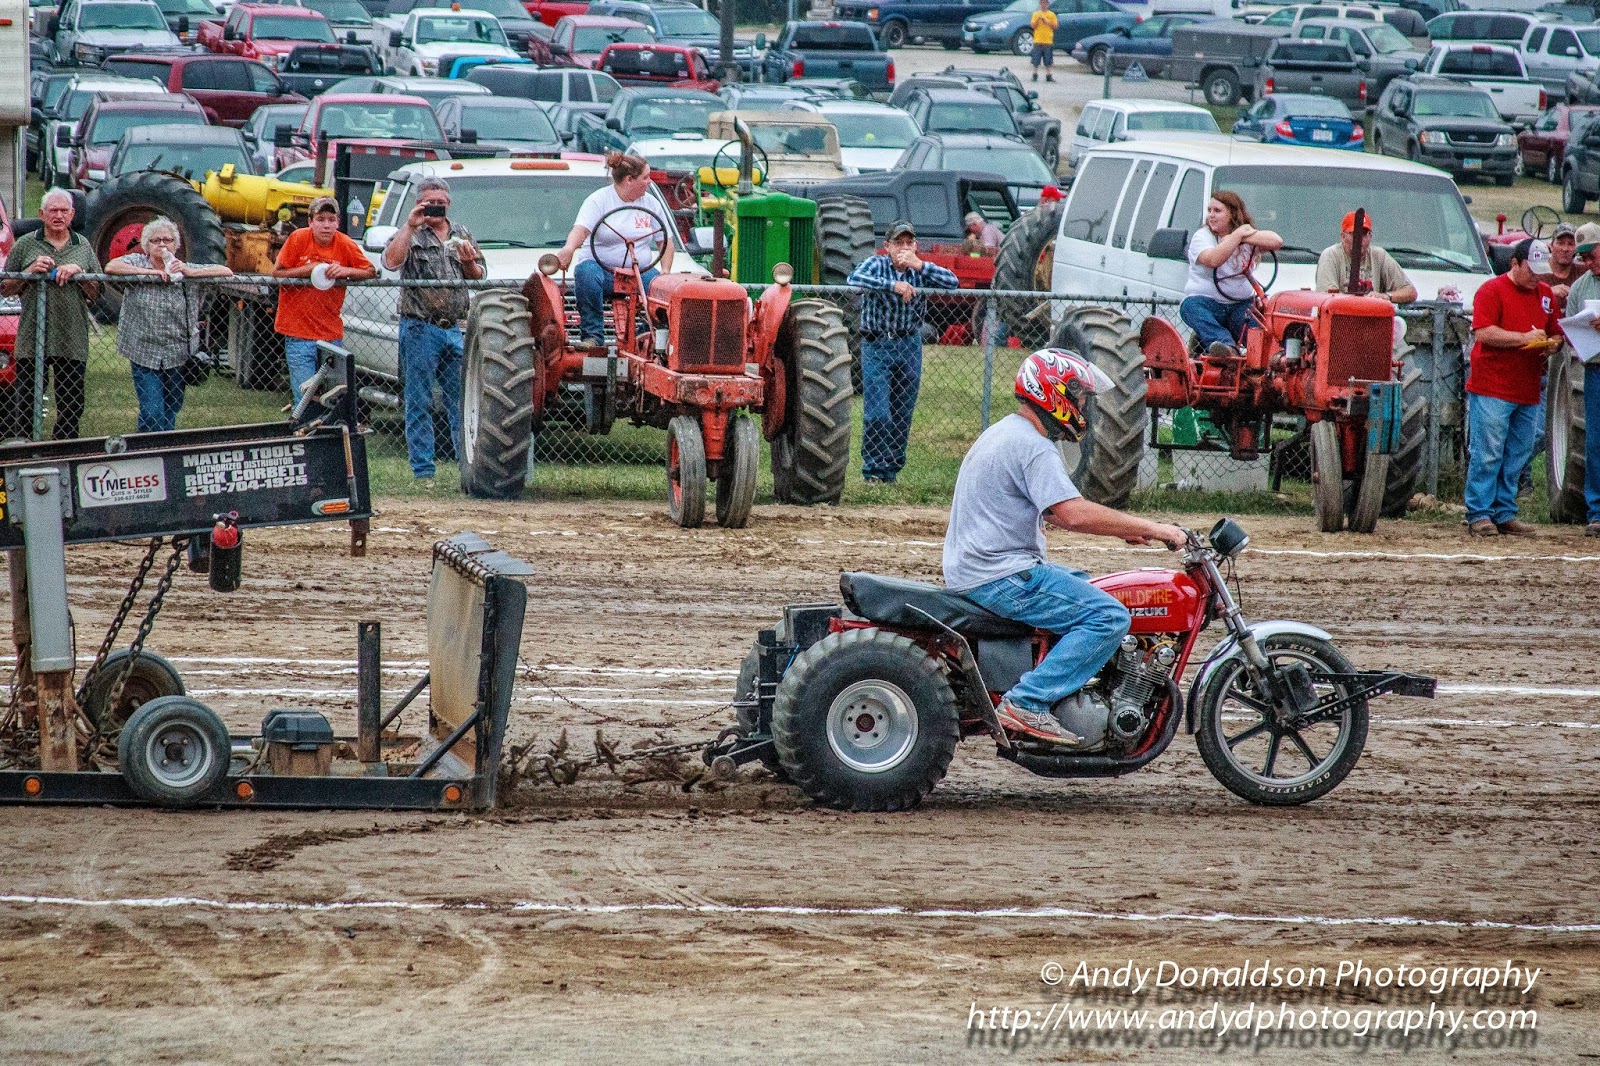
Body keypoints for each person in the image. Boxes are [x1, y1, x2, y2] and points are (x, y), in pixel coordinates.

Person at [944, 348, 1186, 745]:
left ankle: (1075, 687)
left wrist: (1121, 529)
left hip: (983, 569)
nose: (1084, 408)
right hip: (1000, 576)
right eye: (1079, 398)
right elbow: (1072, 513)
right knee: (1108, 616)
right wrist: (1155, 527)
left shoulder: (1009, 431)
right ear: (1054, 394)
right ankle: (1028, 701)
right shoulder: (1033, 445)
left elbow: (1055, 513)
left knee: (1094, 588)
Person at [382, 176, 486, 486]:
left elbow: (478, 275)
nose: (436, 208)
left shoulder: (461, 233)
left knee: (461, 401)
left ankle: (465, 466)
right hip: (420, 327)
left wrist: (469, 262)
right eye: (430, 203)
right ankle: (423, 471)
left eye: (440, 202)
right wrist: (410, 225)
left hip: (455, 327)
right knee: (419, 400)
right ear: (419, 203)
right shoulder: (411, 233)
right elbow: (390, 261)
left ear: (449, 203)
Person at [847, 220, 960, 484]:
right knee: (878, 413)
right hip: (876, 344)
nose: (904, 248)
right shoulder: (876, 265)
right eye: (899, 243)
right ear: (887, 246)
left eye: (909, 243)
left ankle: (891, 469)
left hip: (908, 344)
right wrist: (891, 286)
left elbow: (952, 282)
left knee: (902, 411)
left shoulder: (918, 269)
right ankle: (873, 470)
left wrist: (920, 264)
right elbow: (853, 278)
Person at [1464, 237, 1559, 537]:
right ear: (1514, 263)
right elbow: (1483, 332)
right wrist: (1523, 339)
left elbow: (1555, 332)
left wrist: (1552, 345)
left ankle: (1503, 511)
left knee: (1518, 452)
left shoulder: (1545, 295)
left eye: (1542, 271)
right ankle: (1479, 512)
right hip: (1493, 385)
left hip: (1528, 387)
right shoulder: (1491, 291)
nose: (1537, 277)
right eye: (1531, 269)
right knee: (1488, 451)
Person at [104, 217, 233, 433]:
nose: (162, 245)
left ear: (176, 244)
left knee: (170, 410)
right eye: (155, 241)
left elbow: (226, 271)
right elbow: (111, 266)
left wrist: (191, 273)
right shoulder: (138, 262)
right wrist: (151, 274)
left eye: (168, 240)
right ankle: (154, 450)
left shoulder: (185, 268)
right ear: (146, 245)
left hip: (178, 353)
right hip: (144, 350)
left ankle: (150, 452)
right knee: (153, 411)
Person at [0, 188, 101, 440]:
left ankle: (64, 450)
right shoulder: (25, 244)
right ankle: (26, 450)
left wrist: (80, 272)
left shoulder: (83, 245)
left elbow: (96, 293)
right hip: (33, 334)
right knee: (26, 402)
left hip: (72, 336)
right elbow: (6, 287)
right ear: (41, 214)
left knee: (72, 404)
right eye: (53, 211)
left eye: (63, 211)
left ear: (72, 214)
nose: (58, 215)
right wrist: (30, 270)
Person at [555, 151, 674, 349]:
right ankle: (593, 336)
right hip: (603, 271)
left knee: (663, 291)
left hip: (640, 271)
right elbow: (581, 229)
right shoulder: (599, 200)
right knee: (586, 273)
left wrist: (665, 272)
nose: (649, 182)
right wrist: (569, 248)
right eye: (645, 177)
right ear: (629, 180)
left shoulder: (651, 203)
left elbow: (665, 241)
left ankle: (642, 337)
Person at [273, 196, 375, 403]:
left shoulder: (345, 243)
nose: (326, 225)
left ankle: (330, 432)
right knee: (304, 396)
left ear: (338, 222)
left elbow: (370, 271)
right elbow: (277, 274)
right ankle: (303, 430)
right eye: (321, 219)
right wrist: (308, 270)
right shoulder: (298, 239)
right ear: (310, 221)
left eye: (331, 219)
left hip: (331, 335)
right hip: (298, 334)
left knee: (334, 396)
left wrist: (345, 270)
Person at [1178, 191, 1282, 361]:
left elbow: (1276, 241)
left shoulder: (1246, 237)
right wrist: (1237, 236)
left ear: (1232, 214)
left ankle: (1269, 362)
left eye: (1217, 211)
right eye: (1209, 210)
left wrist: (1243, 234)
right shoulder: (1202, 237)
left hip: (1240, 305)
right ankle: (1226, 347)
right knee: (1189, 307)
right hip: (1206, 302)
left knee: (1260, 331)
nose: (1211, 215)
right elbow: (1214, 259)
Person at [1558, 222, 1600, 537]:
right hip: (1595, 370)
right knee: (1595, 442)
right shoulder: (1579, 288)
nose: (1588, 263)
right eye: (1583, 258)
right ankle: (1596, 512)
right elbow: (1571, 330)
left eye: (1591, 255)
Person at [1314, 211, 1417, 304]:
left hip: (1372, 319)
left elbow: (1410, 292)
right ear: (1343, 236)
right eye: (1355, 234)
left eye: (1364, 234)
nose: (1360, 239)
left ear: (1370, 237)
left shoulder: (1379, 255)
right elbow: (1327, 299)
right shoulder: (1330, 256)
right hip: (1341, 319)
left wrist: (1385, 296)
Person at [1029, 0, 1058, 83]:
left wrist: (1047, 21)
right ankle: (1034, 74)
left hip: (1048, 41)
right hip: (1038, 40)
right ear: (1040, 4)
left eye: (1045, 3)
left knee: (1048, 60)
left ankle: (1048, 75)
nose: (1043, 4)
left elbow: (1055, 26)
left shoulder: (1051, 14)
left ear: (1048, 4)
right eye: (1042, 3)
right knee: (1036, 60)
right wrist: (1038, 20)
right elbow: (1033, 26)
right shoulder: (1036, 14)